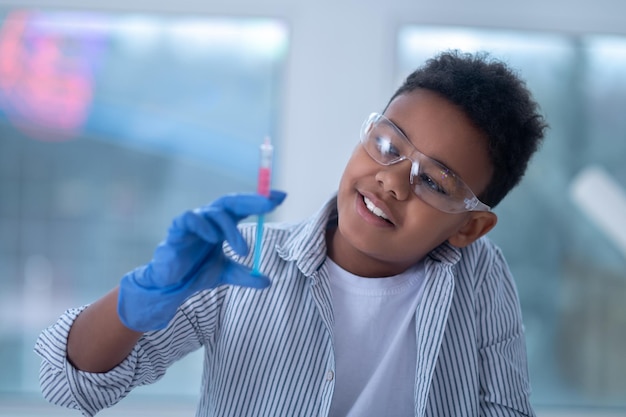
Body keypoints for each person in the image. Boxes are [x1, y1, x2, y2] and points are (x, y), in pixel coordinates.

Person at [35, 50, 547, 417]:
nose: (391, 180)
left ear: (470, 227)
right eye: (388, 145)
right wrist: (138, 298)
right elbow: (68, 387)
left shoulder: (479, 274)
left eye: (433, 180)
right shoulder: (240, 259)